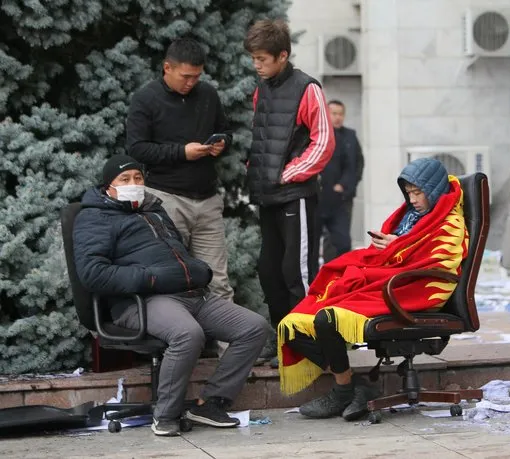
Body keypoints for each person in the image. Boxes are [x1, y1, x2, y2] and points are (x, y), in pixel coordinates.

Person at [73, 155, 269, 437]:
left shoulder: (153, 209)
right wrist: (150, 278)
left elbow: (176, 253)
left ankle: (210, 403)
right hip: (141, 301)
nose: (134, 184)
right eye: (124, 180)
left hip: (190, 294)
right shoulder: (94, 217)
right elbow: (93, 273)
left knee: (253, 327)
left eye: (138, 178)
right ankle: (165, 415)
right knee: (187, 334)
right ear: (108, 187)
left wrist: (197, 270)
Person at [276, 158, 468, 421]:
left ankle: (344, 390)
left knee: (325, 318)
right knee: (293, 325)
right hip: (389, 279)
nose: (412, 199)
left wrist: (395, 246)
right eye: (408, 193)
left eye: (417, 192)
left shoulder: (450, 222)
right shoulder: (412, 214)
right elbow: (399, 250)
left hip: (412, 290)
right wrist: (390, 247)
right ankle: (355, 387)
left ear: (433, 190)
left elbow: (439, 263)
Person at [244, 19, 335, 367]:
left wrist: (288, 174)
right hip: (268, 197)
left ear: (283, 55)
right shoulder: (262, 88)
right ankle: (289, 348)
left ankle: (320, 353)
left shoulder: (307, 88)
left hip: (295, 196)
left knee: (297, 275)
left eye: (262, 58)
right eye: (254, 58)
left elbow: (323, 141)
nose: (257, 64)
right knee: (269, 273)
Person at [126, 37, 234, 303]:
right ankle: (182, 343)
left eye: (196, 77)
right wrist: (182, 152)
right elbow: (137, 149)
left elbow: (226, 131)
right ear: (167, 68)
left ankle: (228, 345)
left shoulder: (208, 93)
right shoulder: (146, 99)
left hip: (207, 200)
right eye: (185, 76)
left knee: (218, 281)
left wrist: (222, 144)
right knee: (171, 280)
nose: (191, 82)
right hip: (166, 199)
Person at [318, 100, 363, 263]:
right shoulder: (320, 135)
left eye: (340, 114)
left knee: (343, 241)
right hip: (321, 196)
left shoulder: (350, 136)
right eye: (334, 113)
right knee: (324, 241)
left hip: (343, 197)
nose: (338, 117)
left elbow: (358, 164)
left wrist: (345, 185)